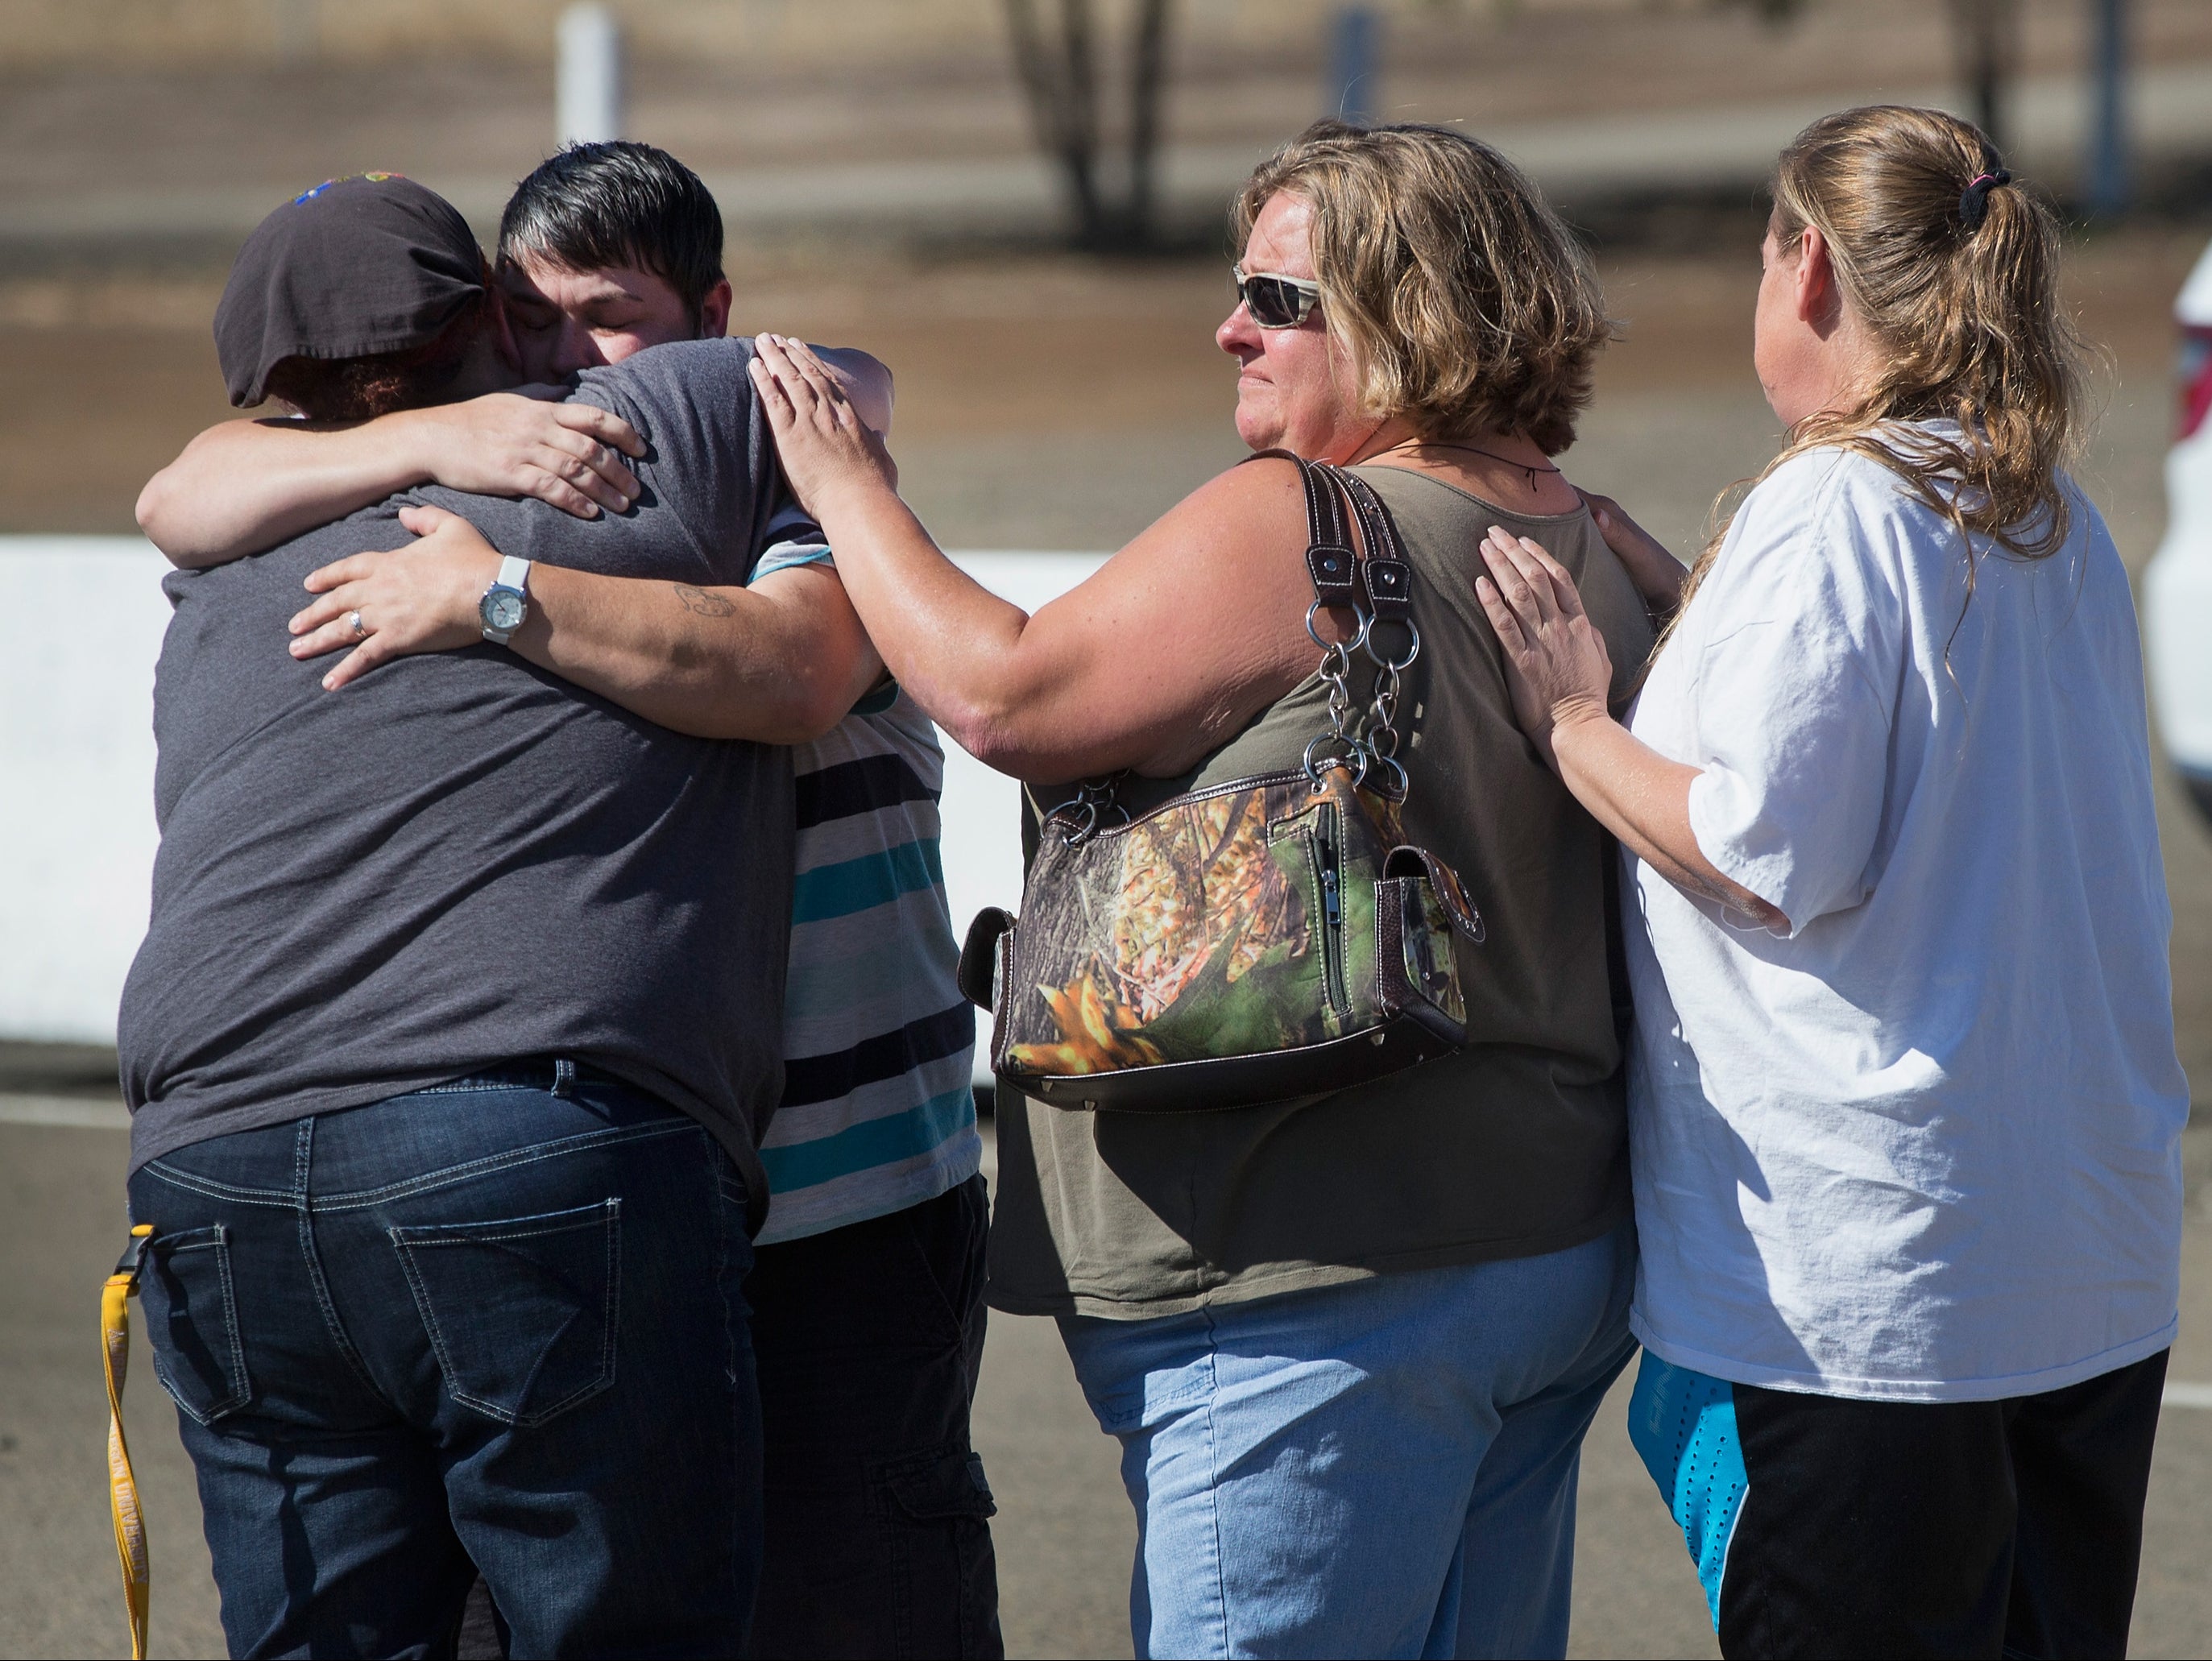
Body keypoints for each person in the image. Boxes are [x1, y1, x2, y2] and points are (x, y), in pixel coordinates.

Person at [746, 121, 1669, 1660]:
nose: (1228, 326)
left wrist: (842, 489)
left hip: (1313, 1289)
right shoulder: (1576, 535)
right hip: (1541, 1247)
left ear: (1408, 316)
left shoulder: (1296, 520)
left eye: (1278, 299)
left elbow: (1003, 696)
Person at [138, 143, 1000, 1658]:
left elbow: (804, 635)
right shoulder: (448, 469)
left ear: (717, 314)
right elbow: (178, 486)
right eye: (529, 326)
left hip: (843, 1190)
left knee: (863, 1602)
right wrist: (445, 443)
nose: (567, 368)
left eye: (607, 316)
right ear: (473, 327)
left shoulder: (779, 460)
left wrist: (494, 593)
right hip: (621, 1168)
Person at [1470, 106, 2188, 1659]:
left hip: (1874, 1303)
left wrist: (1575, 721)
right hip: (2075, 1258)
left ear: (1805, 267)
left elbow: (1757, 849)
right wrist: (1699, 607)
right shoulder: (2038, 505)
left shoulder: (1836, 503)